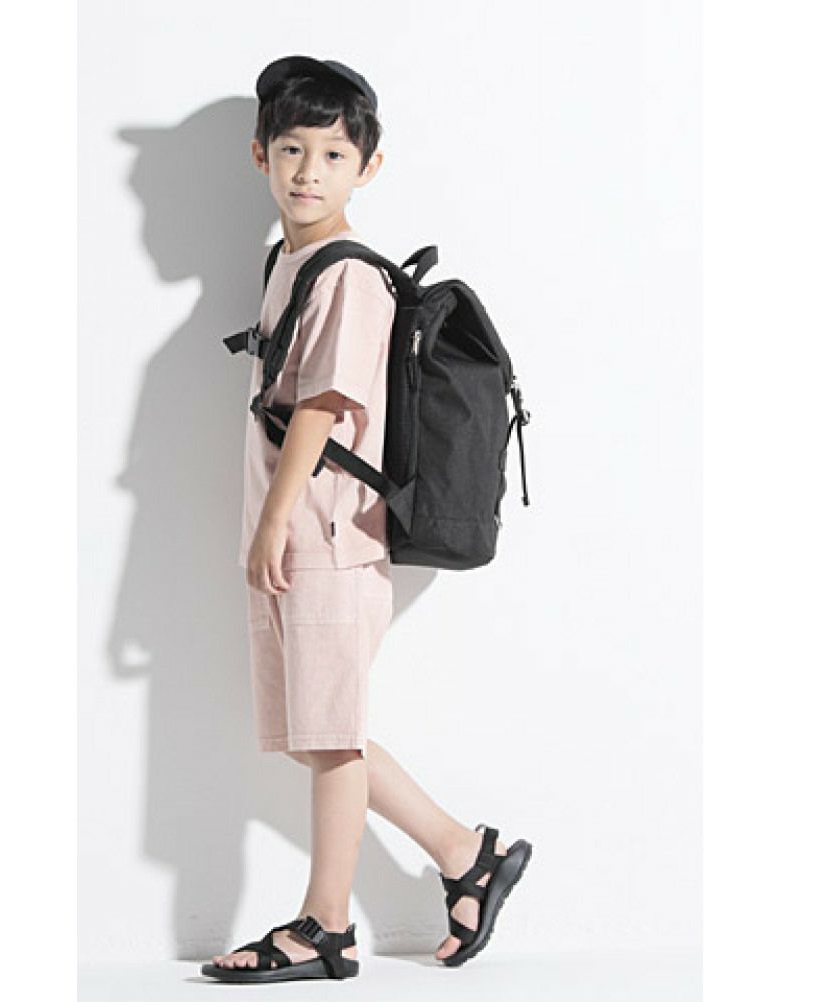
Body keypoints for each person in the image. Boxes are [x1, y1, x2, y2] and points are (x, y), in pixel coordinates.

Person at [202, 55, 532, 984]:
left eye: (334, 154)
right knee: (318, 732)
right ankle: (468, 854)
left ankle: (327, 926)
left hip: (329, 536)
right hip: (300, 533)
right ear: (261, 155)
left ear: (368, 167)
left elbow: (322, 404)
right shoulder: (289, 260)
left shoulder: (347, 275)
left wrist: (274, 521)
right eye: (292, 150)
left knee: (330, 734)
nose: (309, 172)